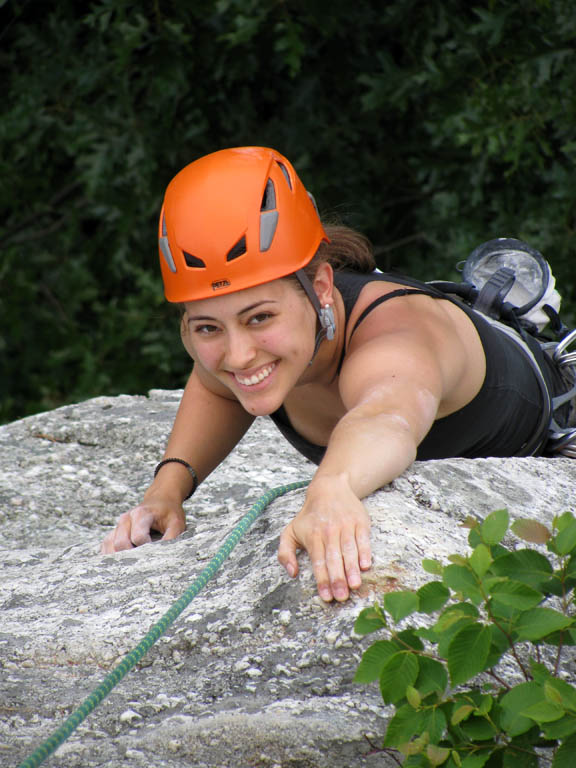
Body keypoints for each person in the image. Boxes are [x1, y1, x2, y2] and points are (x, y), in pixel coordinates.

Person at [101, 146, 568, 602]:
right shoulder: (259, 350)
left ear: (320, 286)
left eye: (259, 318)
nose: (238, 355)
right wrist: (166, 492)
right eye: (207, 327)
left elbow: (388, 416)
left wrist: (332, 488)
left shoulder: (395, 335)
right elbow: (214, 386)